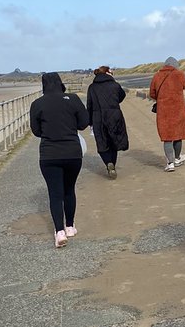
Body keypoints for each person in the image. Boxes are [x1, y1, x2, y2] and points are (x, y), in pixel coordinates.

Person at [29, 72, 90, 248]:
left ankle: (59, 232)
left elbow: (36, 131)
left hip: (49, 154)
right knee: (69, 189)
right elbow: (83, 123)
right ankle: (70, 226)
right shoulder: (72, 99)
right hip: (72, 152)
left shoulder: (37, 104)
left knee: (55, 194)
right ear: (60, 83)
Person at [148, 57, 185, 171]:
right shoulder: (179, 74)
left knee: (167, 136)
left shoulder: (157, 76)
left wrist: (161, 98)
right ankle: (177, 158)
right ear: (175, 65)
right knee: (177, 135)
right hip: (178, 110)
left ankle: (170, 163)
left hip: (163, 111)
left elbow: (152, 93)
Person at [86, 65, 129, 179]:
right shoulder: (114, 85)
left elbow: (89, 105)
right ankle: (112, 164)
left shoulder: (92, 87)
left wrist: (89, 121)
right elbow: (122, 95)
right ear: (108, 73)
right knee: (114, 141)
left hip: (97, 116)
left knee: (102, 142)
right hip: (114, 115)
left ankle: (108, 163)